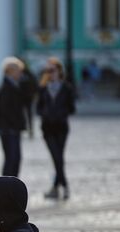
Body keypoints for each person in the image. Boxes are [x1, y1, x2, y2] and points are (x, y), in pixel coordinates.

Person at [36, 57, 76, 200]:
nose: (50, 73)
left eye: (52, 70)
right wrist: (46, 113)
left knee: (58, 158)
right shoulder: (42, 88)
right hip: (47, 128)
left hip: (61, 127)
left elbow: (72, 108)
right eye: (47, 71)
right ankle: (64, 187)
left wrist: (61, 112)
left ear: (59, 71)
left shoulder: (67, 88)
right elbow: (38, 108)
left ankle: (56, 188)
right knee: (57, 158)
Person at [0, 57, 26, 177]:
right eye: (18, 70)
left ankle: (11, 184)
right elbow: (6, 110)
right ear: (10, 71)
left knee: (15, 159)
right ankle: (5, 187)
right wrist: (15, 124)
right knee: (11, 159)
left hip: (13, 128)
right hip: (8, 129)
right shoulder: (6, 87)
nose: (20, 73)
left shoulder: (16, 86)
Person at [19, 63, 38, 138]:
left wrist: (34, 94)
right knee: (23, 114)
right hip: (22, 98)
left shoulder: (29, 74)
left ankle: (30, 129)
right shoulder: (21, 74)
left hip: (28, 97)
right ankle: (24, 128)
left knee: (28, 114)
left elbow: (35, 85)